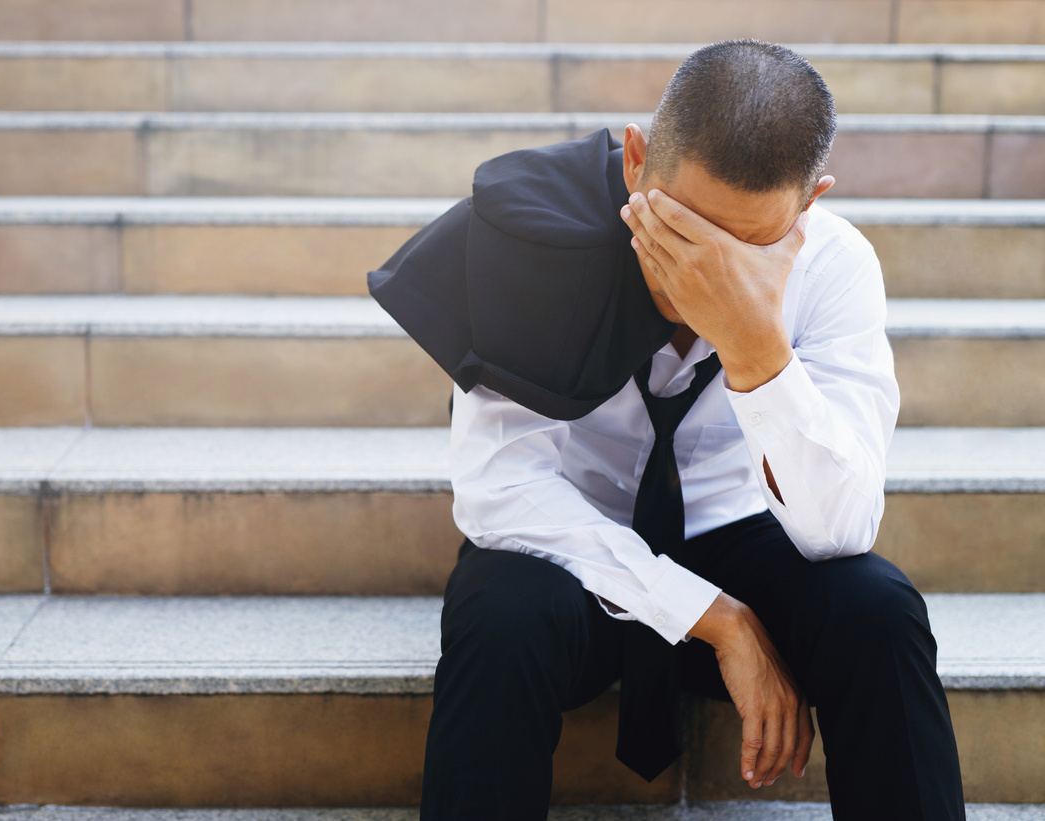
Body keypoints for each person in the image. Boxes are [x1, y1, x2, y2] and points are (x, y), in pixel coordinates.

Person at [371, 40, 965, 821]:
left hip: (743, 533)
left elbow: (839, 528)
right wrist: (715, 616)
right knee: (499, 610)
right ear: (634, 159)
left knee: (877, 608)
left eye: (744, 243)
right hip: (577, 558)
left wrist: (756, 347)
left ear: (808, 204)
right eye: (683, 227)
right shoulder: (534, 239)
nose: (701, 268)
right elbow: (501, 494)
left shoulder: (834, 266)